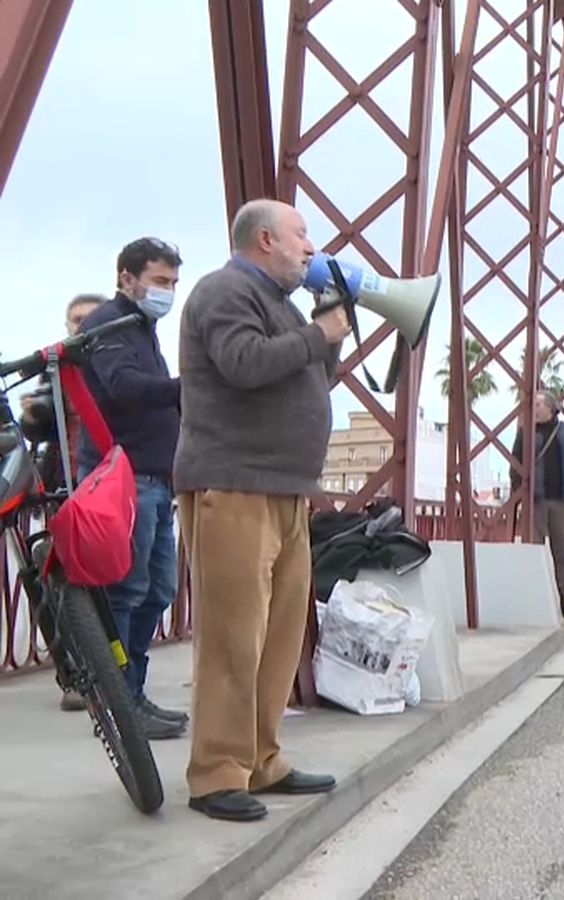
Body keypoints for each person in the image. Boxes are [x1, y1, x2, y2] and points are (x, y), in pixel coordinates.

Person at [174, 198, 348, 822]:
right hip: (234, 484)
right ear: (266, 239)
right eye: (301, 234)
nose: (310, 247)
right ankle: (217, 772)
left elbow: (308, 376)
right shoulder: (223, 291)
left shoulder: (281, 304)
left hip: (284, 489)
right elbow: (243, 365)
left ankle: (261, 758)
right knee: (233, 638)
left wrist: (327, 334)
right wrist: (314, 335)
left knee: (277, 636)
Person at [75, 238, 187, 740]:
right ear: (127, 278)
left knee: (158, 589)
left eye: (173, 284)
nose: (168, 292)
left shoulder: (143, 327)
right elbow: (123, 387)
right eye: (161, 281)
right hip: (124, 480)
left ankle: (133, 694)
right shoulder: (110, 326)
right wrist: (192, 386)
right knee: (127, 590)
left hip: (155, 480)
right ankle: (119, 703)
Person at [20, 293, 106, 712]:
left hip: (107, 489)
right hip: (65, 491)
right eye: (73, 320)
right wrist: (32, 418)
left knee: (121, 586)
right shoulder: (54, 371)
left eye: (88, 318)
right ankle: (75, 675)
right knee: (57, 584)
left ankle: (113, 675)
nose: (79, 326)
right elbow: (38, 429)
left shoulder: (112, 367)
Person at [509, 390, 564, 619]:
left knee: (561, 554)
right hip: (535, 502)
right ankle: (533, 604)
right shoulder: (525, 433)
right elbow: (515, 465)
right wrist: (517, 497)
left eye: (538, 404)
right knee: (533, 554)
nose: (535, 408)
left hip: (561, 501)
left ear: (551, 407)